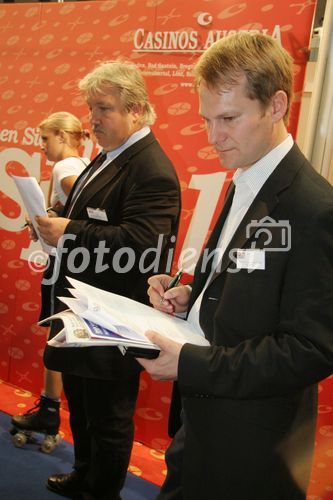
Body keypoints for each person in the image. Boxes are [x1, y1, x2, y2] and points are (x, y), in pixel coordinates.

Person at [139, 32, 333, 500]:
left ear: (276, 105)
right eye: (207, 119)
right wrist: (194, 296)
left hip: (253, 448)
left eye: (228, 118)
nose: (213, 137)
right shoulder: (244, 178)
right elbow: (242, 279)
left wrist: (191, 363)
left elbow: (310, 349)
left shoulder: (315, 209)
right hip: (202, 426)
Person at [36, 61, 181, 499]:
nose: (92, 119)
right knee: (80, 404)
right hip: (83, 310)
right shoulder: (109, 155)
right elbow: (94, 218)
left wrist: (71, 231)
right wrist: (61, 222)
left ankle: (102, 492)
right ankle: (85, 475)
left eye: (104, 108)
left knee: (109, 416)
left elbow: (143, 244)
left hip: (115, 317)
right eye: (90, 107)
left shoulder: (151, 167)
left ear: (136, 110)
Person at [11, 111, 90, 449]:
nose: (42, 147)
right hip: (75, 264)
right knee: (60, 338)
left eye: (45, 139)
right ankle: (49, 406)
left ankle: (50, 409)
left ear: (61, 135)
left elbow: (85, 207)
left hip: (65, 267)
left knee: (59, 338)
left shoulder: (66, 168)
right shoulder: (84, 164)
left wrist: (61, 222)